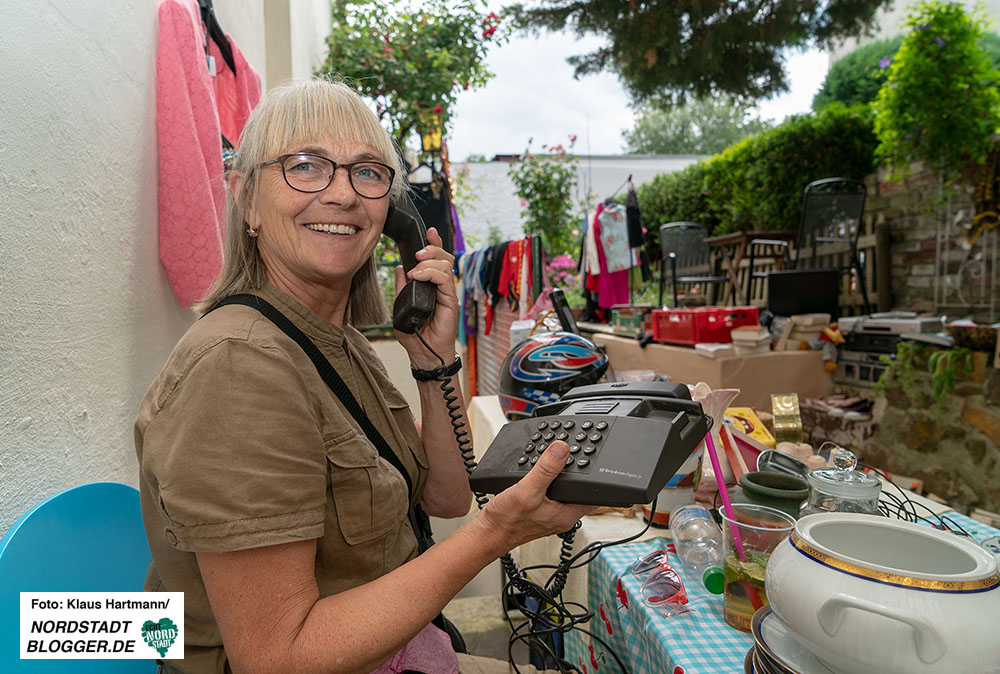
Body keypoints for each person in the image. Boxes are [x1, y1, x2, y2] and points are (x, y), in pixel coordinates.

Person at [135, 77, 594, 674]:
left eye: (368, 172)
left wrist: (432, 358)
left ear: (393, 216)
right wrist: (497, 532)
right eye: (305, 166)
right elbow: (277, 657)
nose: (343, 194)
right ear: (246, 199)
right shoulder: (239, 367)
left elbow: (447, 496)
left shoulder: (337, 342)